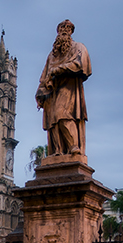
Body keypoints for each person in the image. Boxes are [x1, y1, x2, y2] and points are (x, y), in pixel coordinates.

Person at [36, 19, 92, 160]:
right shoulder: (52, 55)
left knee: (62, 115)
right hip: (52, 92)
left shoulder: (78, 47)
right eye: (61, 29)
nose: (64, 32)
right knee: (52, 121)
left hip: (69, 88)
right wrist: (40, 94)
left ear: (71, 32)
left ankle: (73, 147)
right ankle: (58, 152)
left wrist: (59, 69)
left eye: (67, 29)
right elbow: (44, 76)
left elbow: (80, 64)